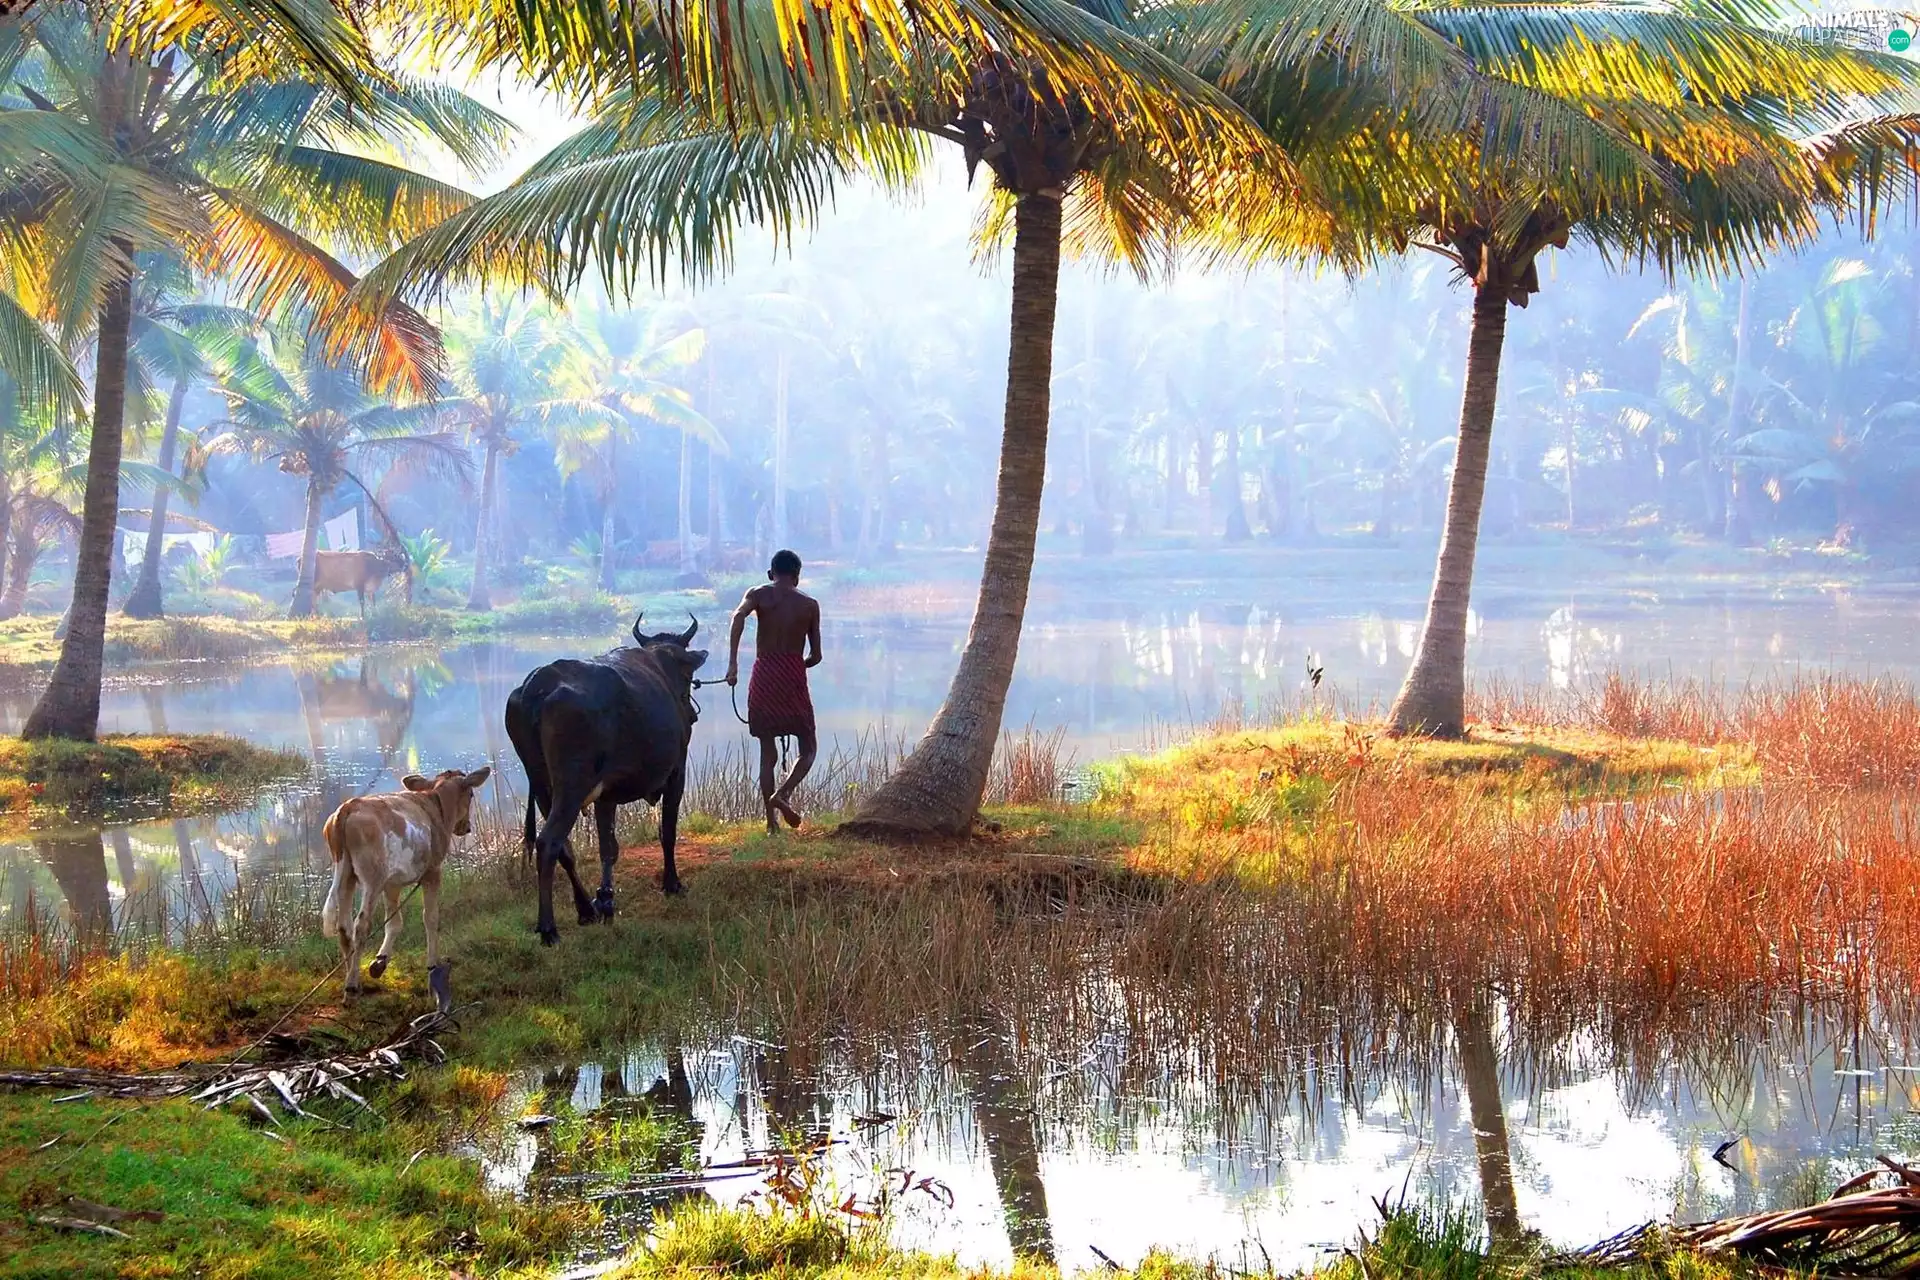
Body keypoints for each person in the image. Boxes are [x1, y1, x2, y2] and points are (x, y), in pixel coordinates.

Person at [726, 549, 821, 833]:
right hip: (792, 675)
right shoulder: (809, 604)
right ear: (797, 577)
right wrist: (794, 666)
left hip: (764, 674)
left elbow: (737, 617)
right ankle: (784, 793)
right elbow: (816, 656)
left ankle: (771, 824)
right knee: (809, 748)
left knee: (768, 753)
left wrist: (733, 664)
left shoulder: (758, 593)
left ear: (771, 574)